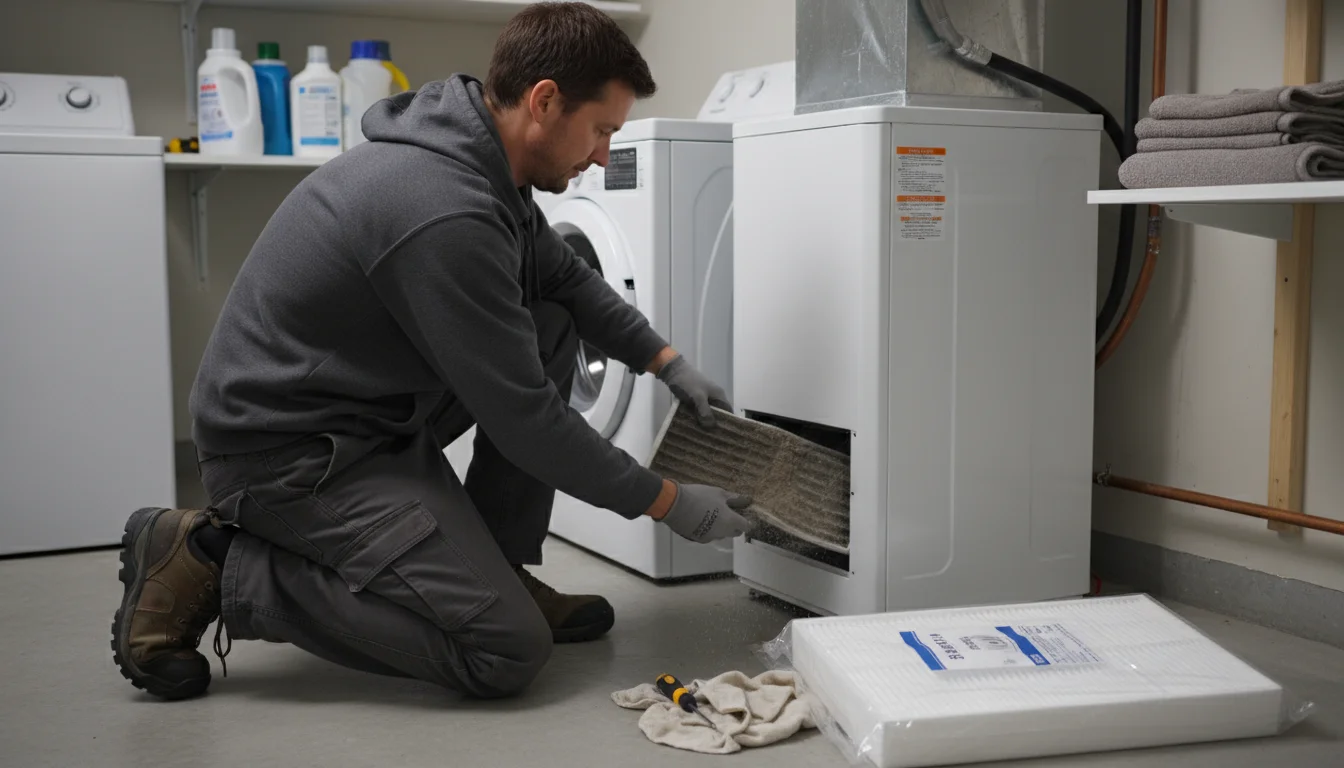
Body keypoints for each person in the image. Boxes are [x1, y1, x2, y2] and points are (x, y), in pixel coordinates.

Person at [110, 2, 752, 702]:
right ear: (544, 101)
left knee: (548, 318)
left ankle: (500, 569)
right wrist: (668, 502)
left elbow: (565, 280)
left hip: (363, 419)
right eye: (602, 130)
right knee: (504, 650)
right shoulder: (445, 207)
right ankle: (212, 563)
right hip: (284, 456)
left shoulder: (484, 163)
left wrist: (664, 361)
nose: (602, 154)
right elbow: (528, 423)